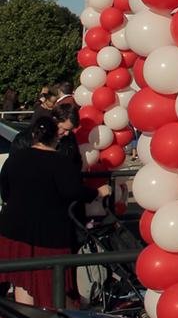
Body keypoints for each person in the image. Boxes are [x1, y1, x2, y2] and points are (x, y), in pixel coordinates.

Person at [0, 114, 110, 306]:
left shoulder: (15, 158)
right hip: (49, 234)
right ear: (56, 137)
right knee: (54, 285)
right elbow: (73, 190)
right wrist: (98, 192)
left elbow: (5, 192)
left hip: (14, 229)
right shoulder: (60, 162)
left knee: (23, 280)